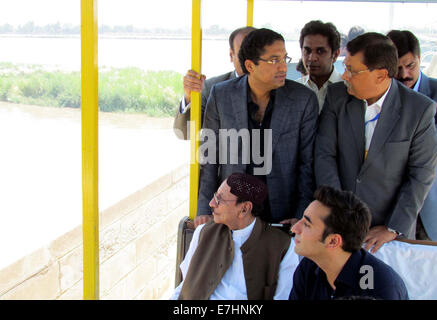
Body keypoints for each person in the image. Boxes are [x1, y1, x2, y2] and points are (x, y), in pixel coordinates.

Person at [314, 33, 437, 251]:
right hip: (339, 225)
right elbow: (325, 155)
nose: (344, 76)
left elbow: (420, 175)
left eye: (352, 70)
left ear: (380, 75)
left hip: (388, 236)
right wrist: (340, 213)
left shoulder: (419, 110)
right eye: (345, 67)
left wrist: (392, 227)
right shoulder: (337, 96)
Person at [195, 28, 319, 228]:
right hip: (233, 210)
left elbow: (308, 163)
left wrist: (302, 213)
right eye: (273, 60)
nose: (284, 68)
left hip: (283, 213)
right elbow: (209, 158)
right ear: (250, 65)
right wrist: (203, 210)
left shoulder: (303, 100)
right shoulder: (221, 95)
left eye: (284, 59)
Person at [171, 173, 299, 300]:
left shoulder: (284, 248)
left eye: (219, 199)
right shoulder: (203, 232)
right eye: (215, 196)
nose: (211, 203)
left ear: (244, 209)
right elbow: (185, 285)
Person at [289, 185, 409, 300]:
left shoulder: (380, 287)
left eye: (307, 224)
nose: (294, 228)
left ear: (333, 241)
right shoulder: (309, 267)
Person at [387, 30, 437, 240]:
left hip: (429, 206)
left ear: (419, 59)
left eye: (410, 66)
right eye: (397, 68)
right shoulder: (380, 98)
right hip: (388, 210)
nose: (404, 74)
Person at [173, 26, 256, 140]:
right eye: (244, 53)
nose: (250, 60)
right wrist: (189, 98)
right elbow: (185, 132)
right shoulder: (212, 88)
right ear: (231, 55)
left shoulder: (278, 88)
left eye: (256, 53)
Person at [297, 20, 343, 112]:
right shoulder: (295, 90)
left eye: (320, 51)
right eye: (307, 51)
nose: (312, 58)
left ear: (335, 54)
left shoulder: (348, 89)